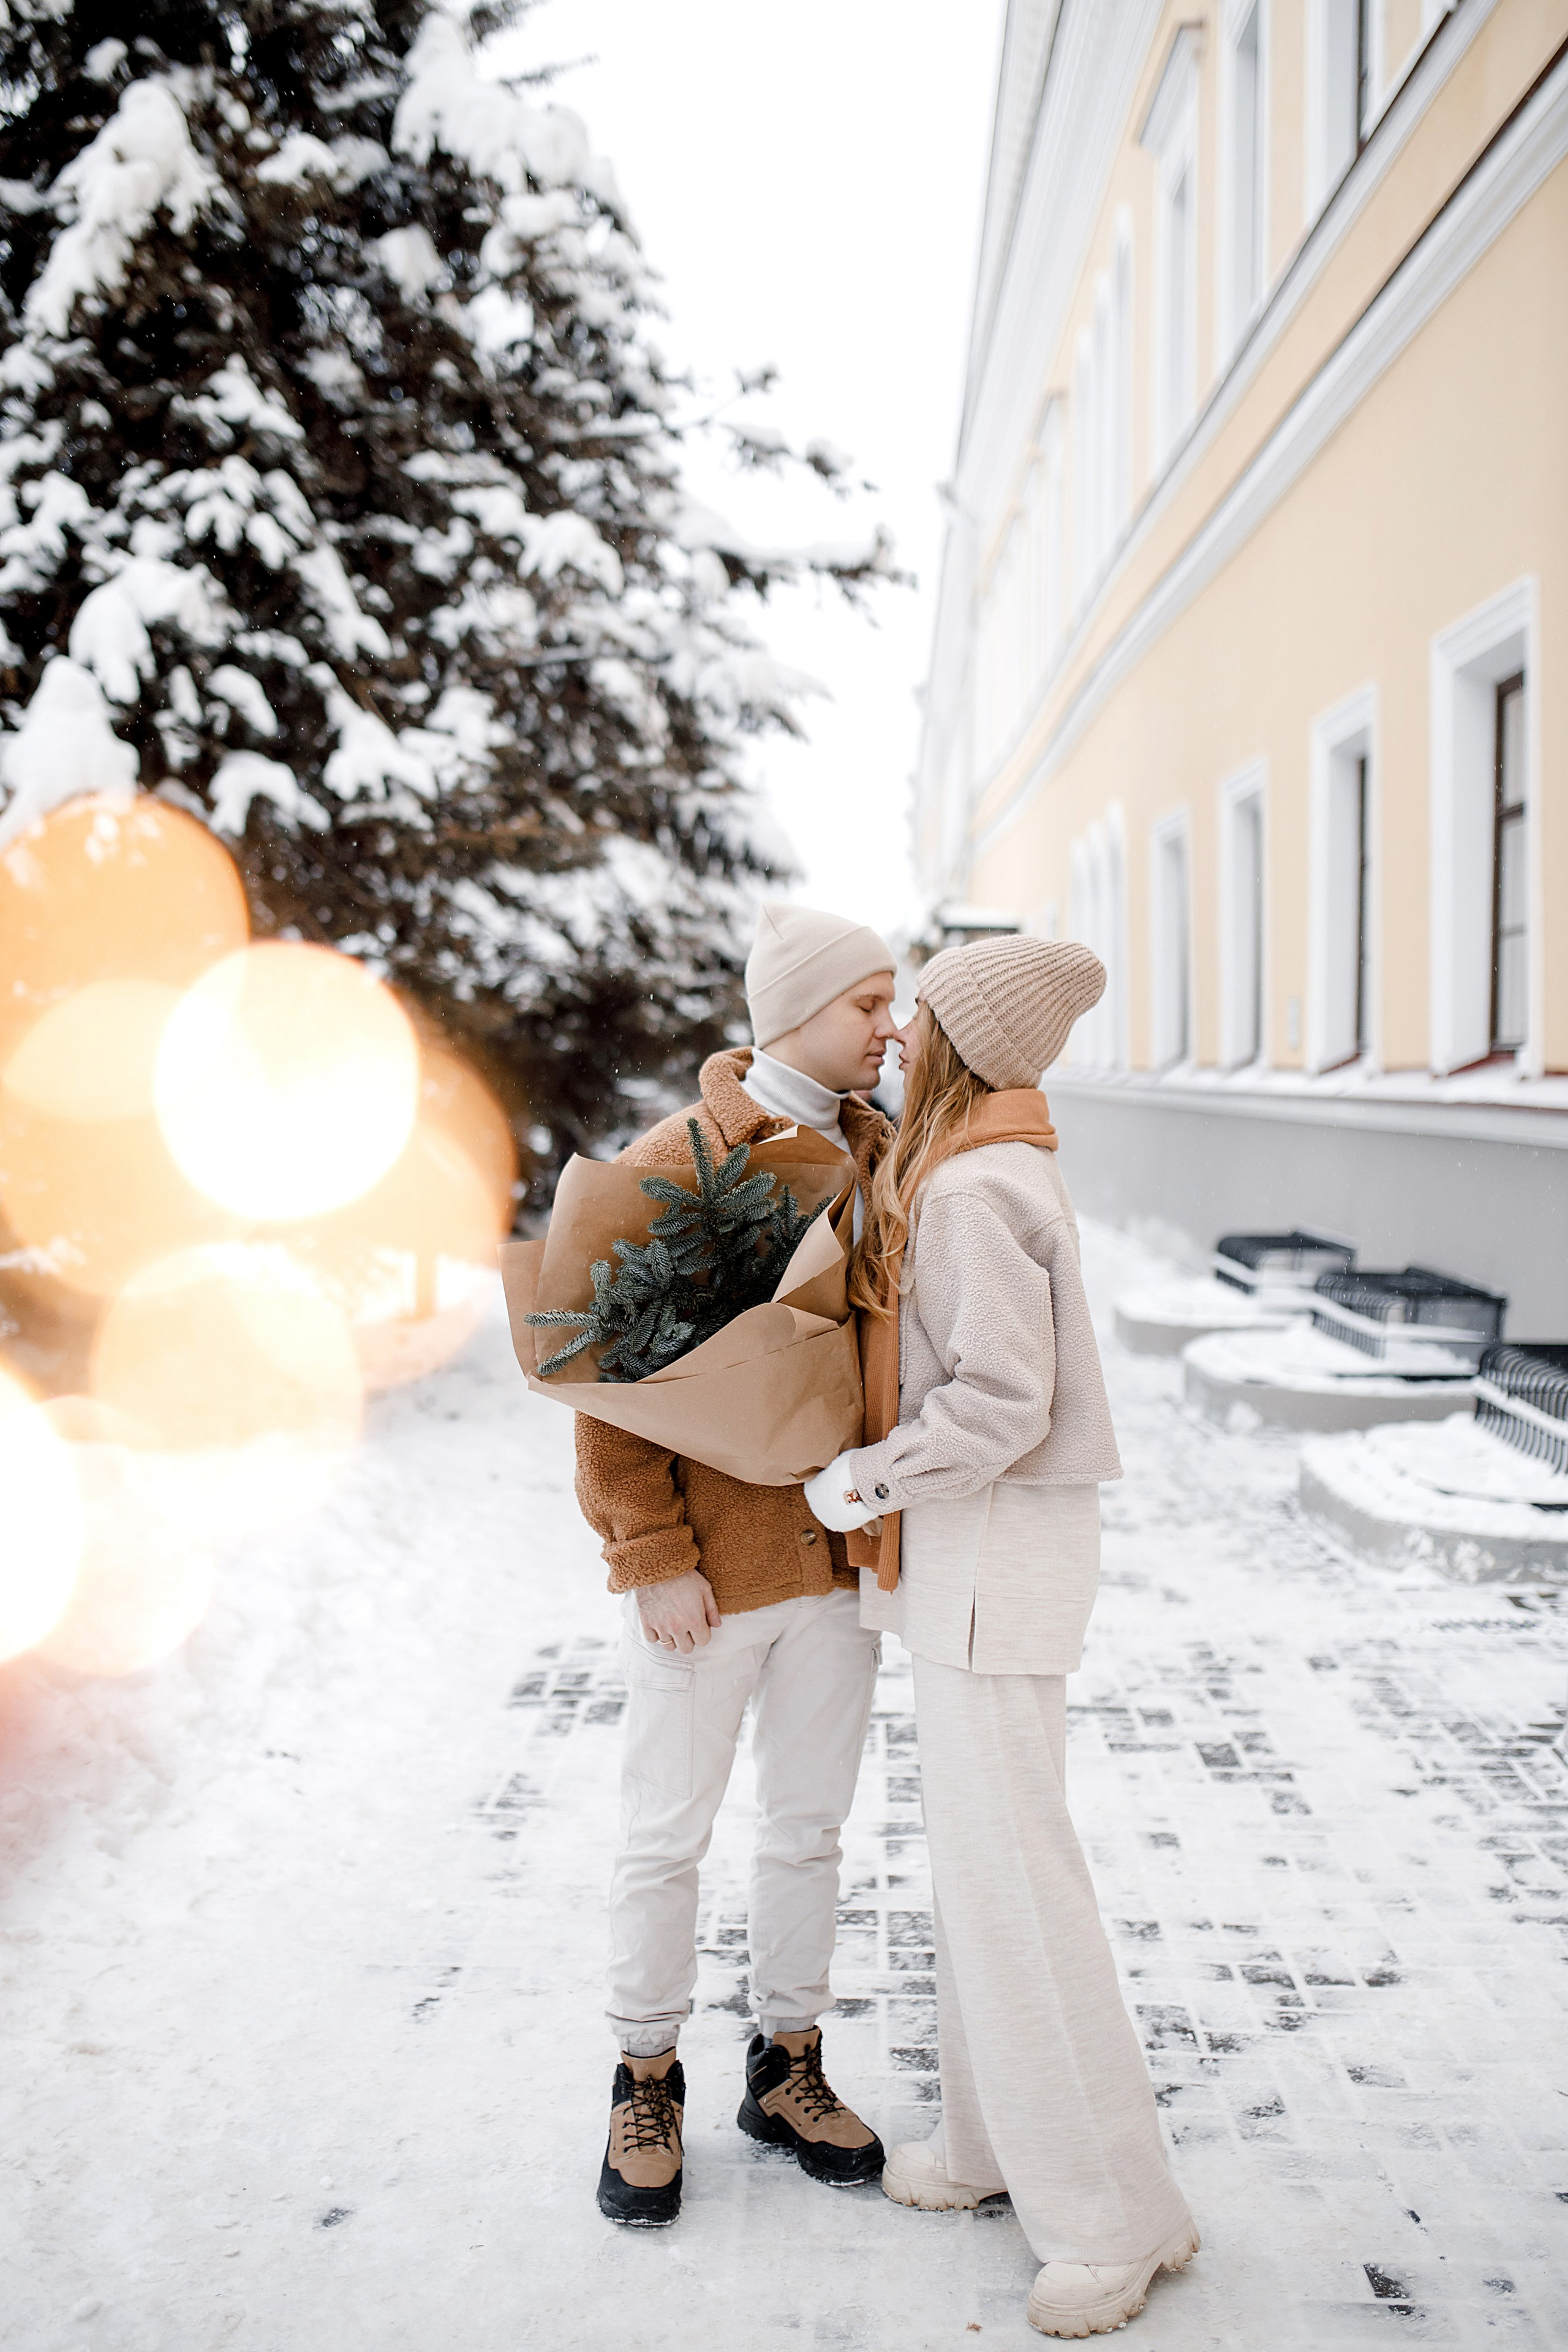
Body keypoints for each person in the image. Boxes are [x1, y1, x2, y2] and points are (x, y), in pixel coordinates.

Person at [805, 934, 1199, 2340]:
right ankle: (989, 2146)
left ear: (966, 1045)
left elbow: (997, 1404)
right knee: (982, 1877)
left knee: (1018, 1886)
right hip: (984, 1572)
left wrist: (863, 1482)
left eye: (921, 1016)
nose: (900, 1035)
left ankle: (1112, 2220)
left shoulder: (973, 1188)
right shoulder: (987, 1164)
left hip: (990, 1567)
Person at [576, 902, 900, 2227]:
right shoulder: (680, 1159)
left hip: (837, 1568)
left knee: (810, 1831)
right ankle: (644, 2076)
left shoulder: (879, 1152)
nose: (890, 1028)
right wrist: (649, 1552)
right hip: (706, 1578)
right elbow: (606, 1378)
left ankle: (788, 2063)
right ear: (797, 1011)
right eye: (868, 1004)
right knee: (668, 1834)